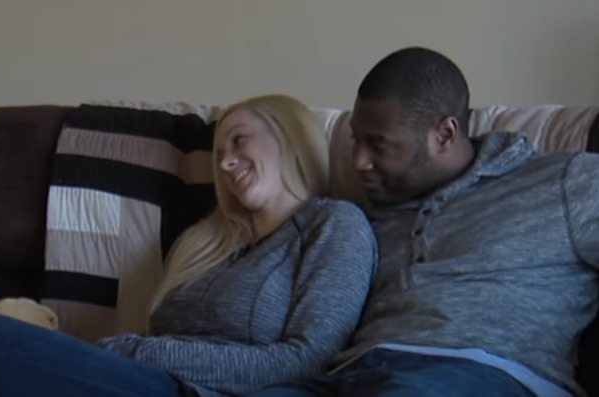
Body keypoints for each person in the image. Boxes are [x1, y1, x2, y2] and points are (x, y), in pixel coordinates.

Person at [0, 94, 377, 397]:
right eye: (218, 152)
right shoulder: (210, 241)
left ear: (288, 135)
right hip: (128, 375)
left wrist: (138, 351)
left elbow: (309, 358)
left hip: (177, 389)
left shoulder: (335, 225)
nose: (226, 162)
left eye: (239, 141)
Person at [248, 47, 599, 397]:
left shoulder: (565, 182)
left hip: (482, 372)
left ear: (445, 134)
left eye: (378, 145)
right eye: (356, 141)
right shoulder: (356, 220)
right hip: (353, 373)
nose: (359, 161)